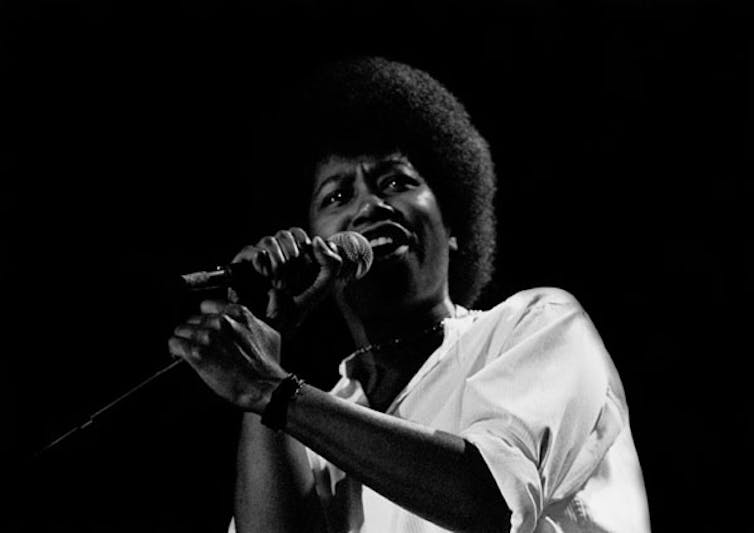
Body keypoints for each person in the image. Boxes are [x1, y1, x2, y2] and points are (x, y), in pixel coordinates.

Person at [168, 57, 650, 532]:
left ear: (454, 224)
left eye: (397, 182)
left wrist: (273, 391)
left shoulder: (536, 324)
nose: (369, 206)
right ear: (312, 237)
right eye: (336, 197)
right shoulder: (314, 422)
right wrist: (268, 352)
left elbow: (489, 501)